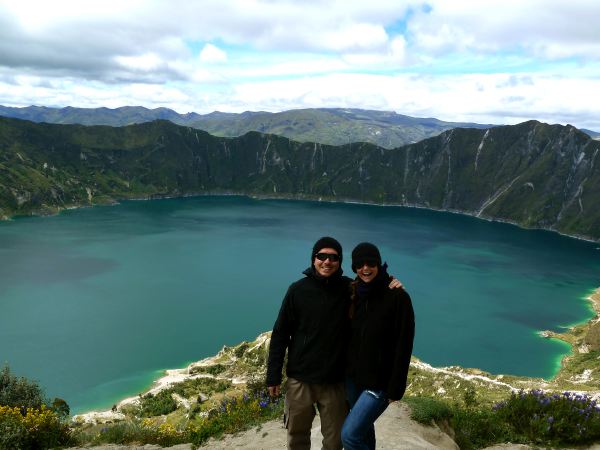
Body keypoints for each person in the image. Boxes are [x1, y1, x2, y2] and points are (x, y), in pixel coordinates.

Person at [266, 237, 401, 450]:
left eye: (333, 257)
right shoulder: (297, 290)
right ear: (313, 259)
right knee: (297, 436)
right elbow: (280, 334)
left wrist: (389, 282)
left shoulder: (350, 289)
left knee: (335, 441)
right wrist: (273, 376)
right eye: (322, 256)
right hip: (300, 381)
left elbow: (372, 286)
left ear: (339, 261)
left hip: (335, 383)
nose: (327, 261)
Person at [341, 242, 415, 450]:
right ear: (354, 267)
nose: (366, 268)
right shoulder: (353, 292)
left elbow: (404, 344)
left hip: (379, 383)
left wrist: (396, 387)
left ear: (379, 264)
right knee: (363, 431)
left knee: (350, 436)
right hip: (353, 378)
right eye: (360, 264)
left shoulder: (398, 297)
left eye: (371, 263)